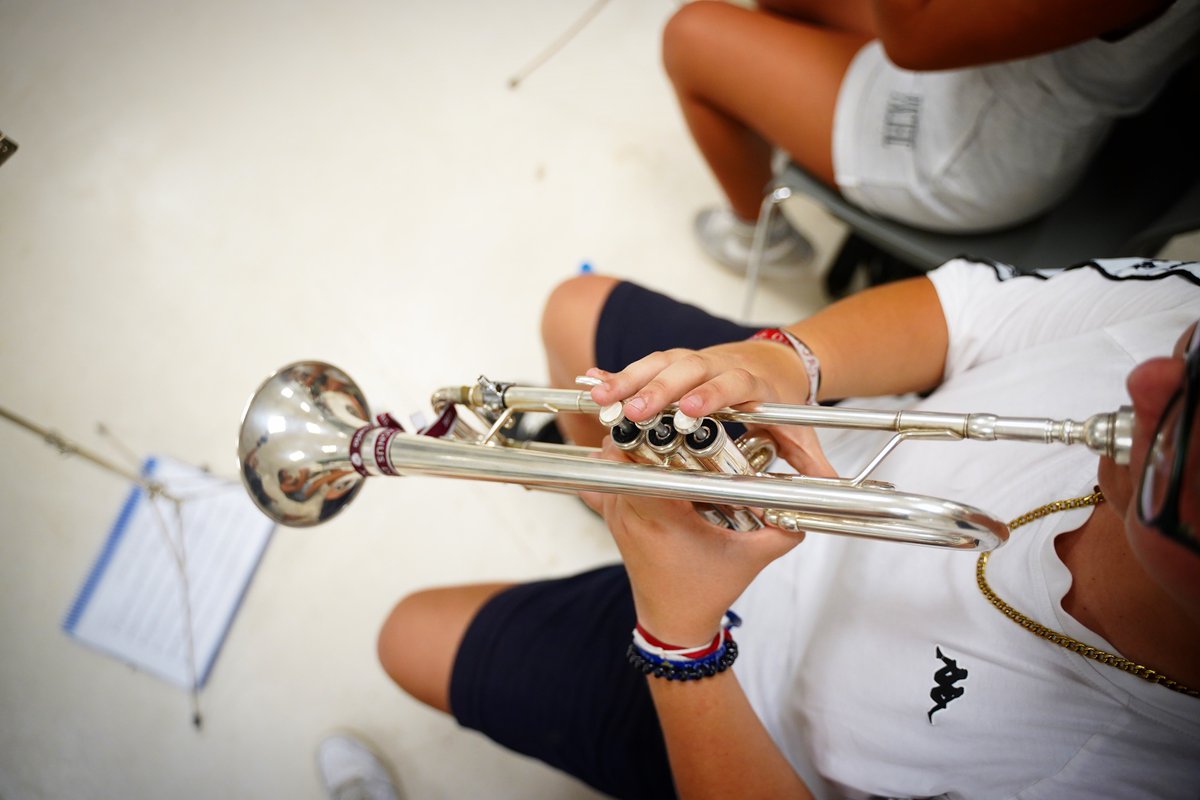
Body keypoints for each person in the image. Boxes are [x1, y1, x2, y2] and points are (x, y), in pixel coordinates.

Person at [377, 257, 1200, 798]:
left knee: (406, 637)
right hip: (807, 447)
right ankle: (624, 506)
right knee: (574, 308)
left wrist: (677, 636)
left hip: (750, 701)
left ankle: (640, 534)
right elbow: (969, 309)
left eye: (1188, 441)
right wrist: (776, 361)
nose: (1149, 382)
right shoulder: (1181, 327)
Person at [664, 0, 1200, 274]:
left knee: (689, 36)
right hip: (994, 76)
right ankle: (792, 98)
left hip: (971, 146)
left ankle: (764, 239)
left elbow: (913, 42)